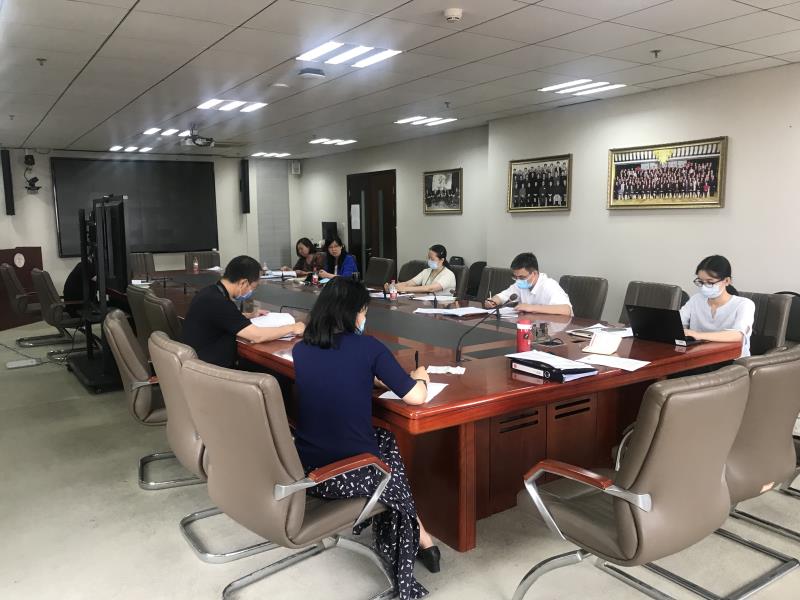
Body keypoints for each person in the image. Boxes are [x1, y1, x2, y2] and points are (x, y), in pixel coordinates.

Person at [292, 278, 440, 599]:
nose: (364, 318)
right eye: (363, 312)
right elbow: (416, 398)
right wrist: (421, 378)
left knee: (384, 439)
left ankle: (423, 536)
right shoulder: (368, 347)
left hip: (307, 470)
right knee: (389, 467)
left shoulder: (301, 349)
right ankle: (419, 538)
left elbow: (334, 372)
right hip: (347, 475)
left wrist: (368, 377)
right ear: (352, 313)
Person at [182, 255, 305, 368]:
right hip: (211, 371)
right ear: (243, 283)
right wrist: (292, 327)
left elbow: (220, 318)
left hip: (197, 365)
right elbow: (258, 336)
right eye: (253, 287)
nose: (251, 292)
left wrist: (249, 315)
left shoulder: (209, 292)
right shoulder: (219, 303)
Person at [680, 255, 755, 357]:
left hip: (731, 360)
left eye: (710, 282)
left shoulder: (744, 304)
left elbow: (738, 335)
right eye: (701, 282)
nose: (704, 287)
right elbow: (678, 323)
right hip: (698, 356)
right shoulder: (696, 299)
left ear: (727, 281)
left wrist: (697, 335)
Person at [485, 252, 572, 316]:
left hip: (554, 328)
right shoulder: (520, 284)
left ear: (534, 273)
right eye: (515, 277)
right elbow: (502, 296)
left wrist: (532, 307)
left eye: (522, 277)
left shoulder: (549, 285)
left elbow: (566, 310)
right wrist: (493, 301)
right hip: (531, 326)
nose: (518, 280)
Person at [388, 244, 457, 295]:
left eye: (432, 259)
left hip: (442, 306)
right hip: (426, 304)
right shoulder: (426, 271)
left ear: (442, 260)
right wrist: (392, 287)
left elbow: (431, 288)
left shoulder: (448, 274)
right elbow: (409, 283)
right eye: (428, 258)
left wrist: (404, 289)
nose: (429, 261)